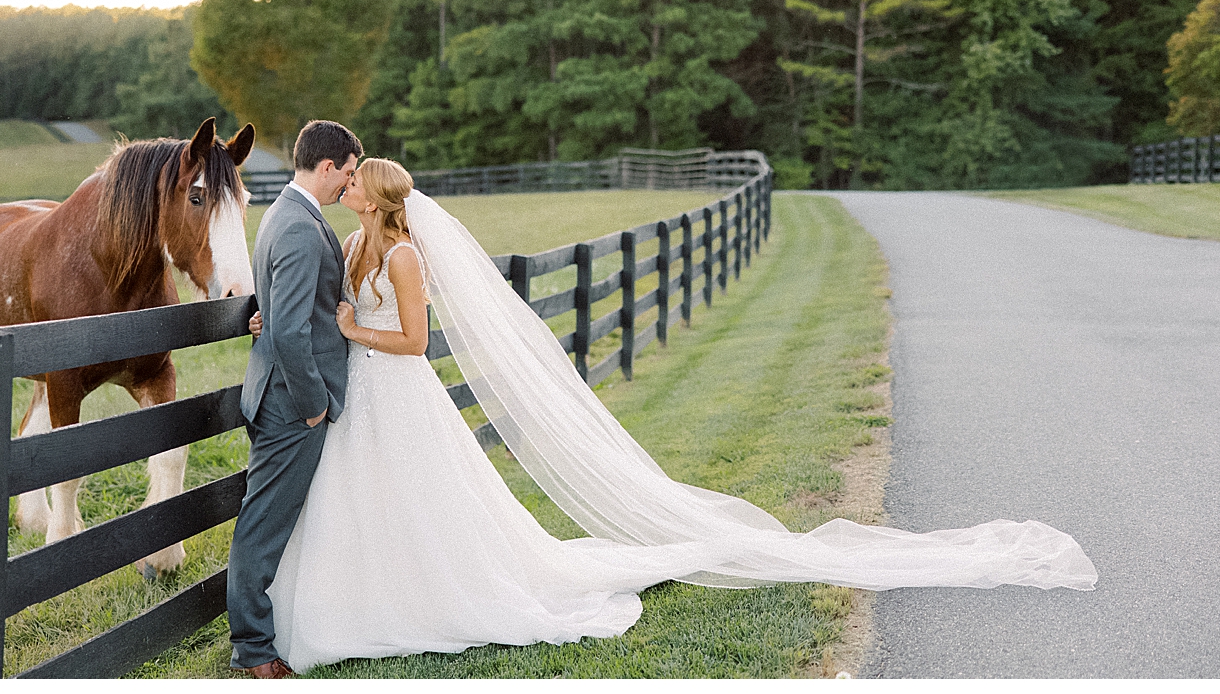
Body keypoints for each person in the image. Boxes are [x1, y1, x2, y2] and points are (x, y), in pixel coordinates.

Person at [246, 158, 1099, 673]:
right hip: (364, 405)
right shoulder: (351, 241)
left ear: (378, 197)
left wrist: (358, 329)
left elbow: (415, 338)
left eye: (359, 181)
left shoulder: (400, 250)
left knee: (432, 507)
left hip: (398, 395)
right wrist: (290, 317)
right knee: (374, 509)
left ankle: (431, 593)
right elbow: (321, 307)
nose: (349, 185)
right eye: (347, 178)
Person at [226, 120, 361, 679]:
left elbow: (277, 308)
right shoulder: (303, 227)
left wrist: (263, 317)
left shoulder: (282, 213)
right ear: (326, 166)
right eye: (347, 174)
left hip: (274, 394)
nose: (348, 186)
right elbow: (287, 331)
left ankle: (270, 629)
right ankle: (254, 649)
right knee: (261, 525)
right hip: (290, 404)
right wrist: (314, 403)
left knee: (270, 519)